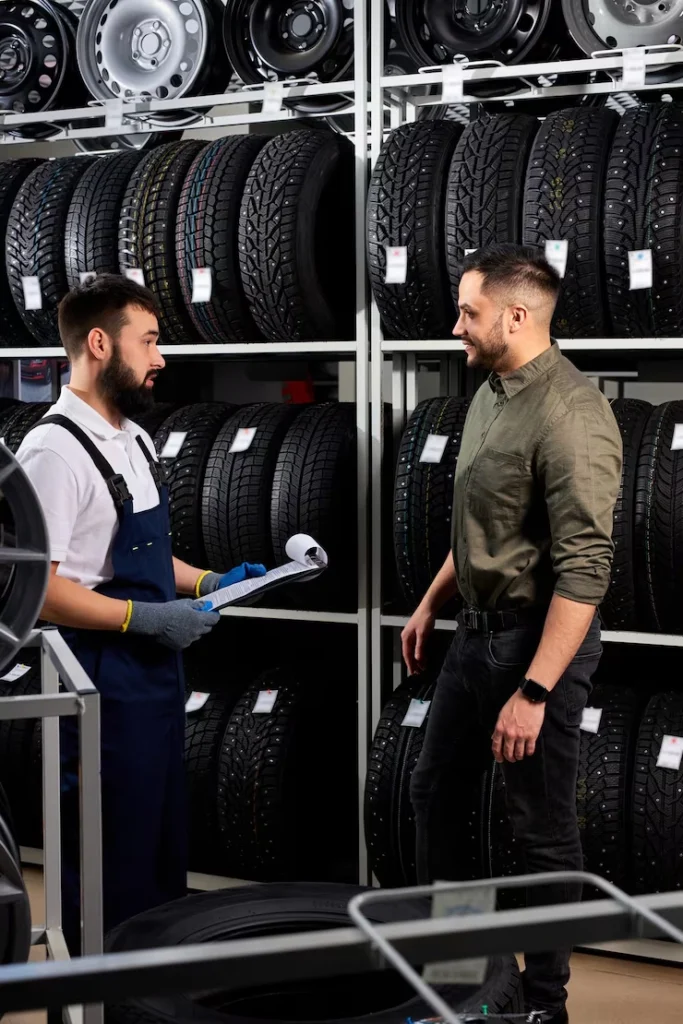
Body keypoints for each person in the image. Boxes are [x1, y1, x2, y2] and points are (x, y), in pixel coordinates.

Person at [402, 244, 622, 1024]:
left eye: (468, 312)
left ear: (516, 316)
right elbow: (482, 525)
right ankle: (463, 974)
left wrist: (534, 691)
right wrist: (432, 599)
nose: (455, 325)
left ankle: (544, 1005)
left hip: (535, 647)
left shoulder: (572, 415)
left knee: (540, 833)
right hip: (474, 636)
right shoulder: (491, 391)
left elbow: (585, 573)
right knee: (436, 792)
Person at [16, 275, 266, 953]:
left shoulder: (131, 436)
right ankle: (99, 995)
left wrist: (209, 581)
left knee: (158, 854)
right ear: (99, 344)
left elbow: (149, 555)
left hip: (153, 682)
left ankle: (149, 997)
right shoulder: (54, 452)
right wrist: (144, 620)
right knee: (108, 863)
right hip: (99, 682)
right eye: (149, 341)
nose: (160, 357)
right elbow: (41, 587)